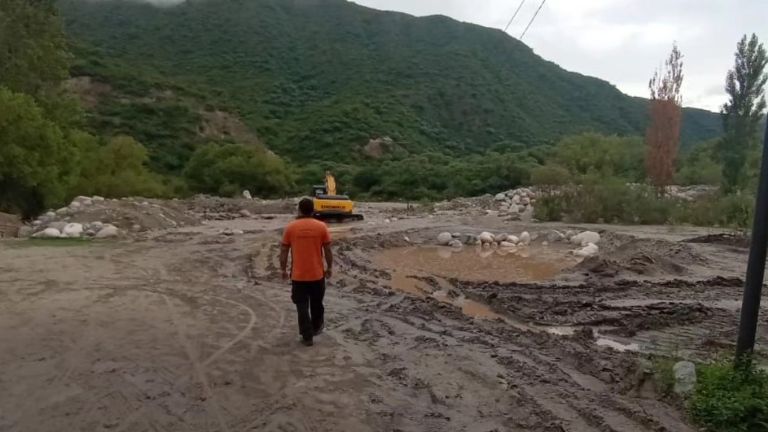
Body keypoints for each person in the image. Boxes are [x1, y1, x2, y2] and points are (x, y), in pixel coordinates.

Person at [280, 198, 333, 346]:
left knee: (301, 305)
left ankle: (307, 336)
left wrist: (283, 269)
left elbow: (284, 250)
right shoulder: (321, 227)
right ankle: (316, 327)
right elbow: (328, 249)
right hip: (317, 274)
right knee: (317, 303)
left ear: (299, 210)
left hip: (298, 276)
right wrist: (329, 267)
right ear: (313, 210)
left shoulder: (290, 228)